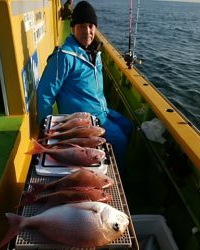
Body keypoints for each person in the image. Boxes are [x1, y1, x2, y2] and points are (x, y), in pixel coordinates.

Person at [37, 1, 133, 172]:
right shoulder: (64, 57)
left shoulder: (95, 52)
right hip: (83, 121)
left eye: (91, 26)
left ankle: (112, 162)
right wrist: (45, 129)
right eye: (81, 26)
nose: (87, 31)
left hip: (102, 112)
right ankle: (114, 175)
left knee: (128, 126)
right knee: (120, 141)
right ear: (73, 28)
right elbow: (45, 92)